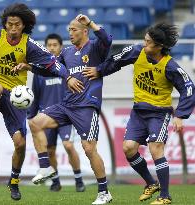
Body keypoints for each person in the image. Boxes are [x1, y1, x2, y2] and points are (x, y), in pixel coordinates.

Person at [0, 3, 82, 201]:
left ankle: (14, 182)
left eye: (17, 24)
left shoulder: (29, 45)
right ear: (5, 25)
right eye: (10, 24)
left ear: (23, 25)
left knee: (20, 144)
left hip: (15, 98)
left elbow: (52, 62)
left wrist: (67, 76)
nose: (13, 28)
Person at [82, 23, 195, 205]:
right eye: (144, 40)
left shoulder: (170, 66)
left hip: (159, 113)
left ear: (159, 46)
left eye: (149, 42)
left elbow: (189, 88)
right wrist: (99, 70)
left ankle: (165, 196)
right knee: (128, 148)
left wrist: (180, 115)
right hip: (138, 112)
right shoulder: (137, 51)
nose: (144, 44)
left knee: (155, 148)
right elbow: (117, 60)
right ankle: (151, 183)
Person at [26, 14, 113, 205]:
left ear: (84, 31)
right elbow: (51, 70)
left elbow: (107, 39)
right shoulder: (66, 52)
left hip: (86, 106)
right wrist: (29, 67)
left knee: (89, 149)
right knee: (35, 123)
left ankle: (104, 192)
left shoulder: (95, 48)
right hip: (66, 105)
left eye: (73, 30)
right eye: (69, 31)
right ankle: (46, 167)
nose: (70, 33)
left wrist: (90, 21)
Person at [28, 33, 85, 192]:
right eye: (49, 45)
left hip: (65, 115)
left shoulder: (66, 68)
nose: (52, 48)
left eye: (55, 45)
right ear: (46, 47)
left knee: (68, 145)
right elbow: (36, 94)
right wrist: (31, 116)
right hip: (47, 116)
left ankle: (79, 179)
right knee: (50, 150)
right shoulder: (40, 72)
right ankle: (55, 181)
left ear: (60, 47)